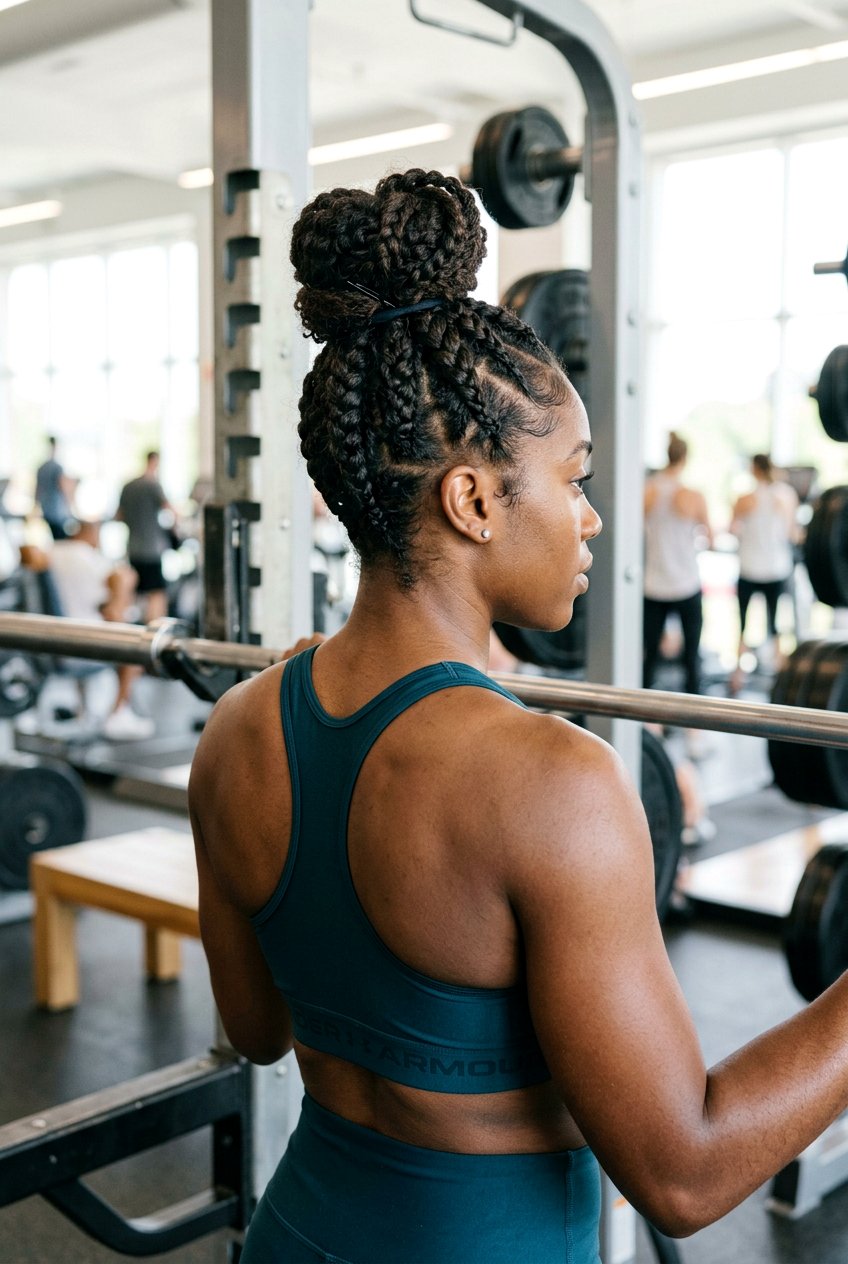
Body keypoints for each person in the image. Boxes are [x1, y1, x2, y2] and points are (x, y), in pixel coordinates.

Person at [189, 171, 848, 1264]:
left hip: (296, 1233)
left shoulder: (238, 729)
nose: (590, 518)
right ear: (473, 499)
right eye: (571, 478)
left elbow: (257, 1032)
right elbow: (683, 1172)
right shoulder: (556, 783)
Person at [48, 520, 155, 740]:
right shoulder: (87, 557)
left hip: (52, 639)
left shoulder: (52, 551)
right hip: (84, 640)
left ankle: (85, 711)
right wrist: (119, 608)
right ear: (92, 533)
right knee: (136, 647)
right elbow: (121, 580)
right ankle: (118, 713)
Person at [642, 432, 713, 698]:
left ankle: (645, 720)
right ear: (685, 459)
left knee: (650, 655)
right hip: (685, 584)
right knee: (692, 656)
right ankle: (694, 729)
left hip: (655, 584)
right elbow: (711, 537)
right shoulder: (692, 495)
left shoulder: (648, 490)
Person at [730, 453, 798, 689]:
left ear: (754, 470)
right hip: (775, 568)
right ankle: (780, 677)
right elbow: (793, 533)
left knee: (743, 623)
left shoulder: (745, 498)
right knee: (775, 622)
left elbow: (732, 528)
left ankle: (738, 673)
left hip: (750, 567)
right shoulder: (787, 496)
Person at [114, 451, 177, 622]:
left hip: (133, 549)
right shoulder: (153, 485)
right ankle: (155, 632)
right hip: (151, 549)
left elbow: (118, 516)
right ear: (155, 462)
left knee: (135, 592)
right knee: (157, 594)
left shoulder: (128, 486)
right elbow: (171, 511)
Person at [34, 436, 74, 540]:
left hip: (46, 510)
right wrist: (70, 506)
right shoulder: (57, 467)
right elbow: (64, 488)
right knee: (61, 540)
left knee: (55, 538)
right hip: (57, 512)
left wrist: (36, 506)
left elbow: (37, 491)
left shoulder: (41, 467)